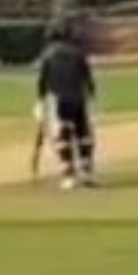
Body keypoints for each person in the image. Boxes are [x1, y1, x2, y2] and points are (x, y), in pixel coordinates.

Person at [34, 20, 98, 191]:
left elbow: (42, 81)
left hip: (59, 101)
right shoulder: (78, 53)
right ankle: (86, 172)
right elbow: (88, 79)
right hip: (78, 99)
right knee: (83, 134)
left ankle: (68, 174)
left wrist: (40, 102)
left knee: (63, 136)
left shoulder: (47, 55)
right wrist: (92, 98)